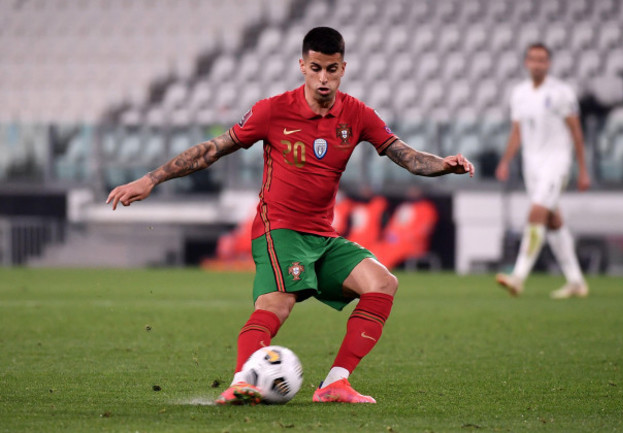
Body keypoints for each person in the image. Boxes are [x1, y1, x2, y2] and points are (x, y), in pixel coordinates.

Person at [107, 27, 474, 405]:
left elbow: (406, 155)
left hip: (322, 235)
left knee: (382, 283)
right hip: (278, 228)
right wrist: (152, 179)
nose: (323, 78)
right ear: (302, 65)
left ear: (343, 68)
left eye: (331, 69)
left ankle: (335, 383)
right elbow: (213, 149)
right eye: (315, 68)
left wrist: (444, 165)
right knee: (277, 304)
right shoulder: (272, 110)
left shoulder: (357, 114)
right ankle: (241, 381)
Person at [495, 42, 590, 299]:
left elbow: (576, 131)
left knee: (536, 211)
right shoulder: (519, 93)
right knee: (552, 220)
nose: (537, 64)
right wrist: (505, 161)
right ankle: (576, 282)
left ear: (548, 64)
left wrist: (582, 169)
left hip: (556, 162)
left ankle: (518, 276)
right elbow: (517, 132)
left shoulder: (561, 93)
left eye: (542, 60)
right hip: (532, 165)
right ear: (527, 62)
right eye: (533, 59)